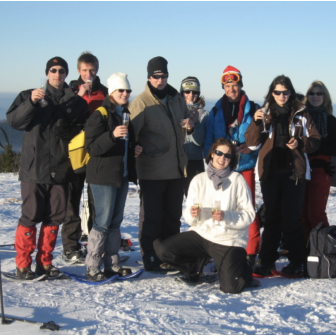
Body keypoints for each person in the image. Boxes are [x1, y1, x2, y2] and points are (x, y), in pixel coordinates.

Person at [7, 56, 89, 280]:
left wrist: (71, 132)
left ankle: (45, 263)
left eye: (62, 71)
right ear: (46, 73)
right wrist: (30, 103)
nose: (57, 74)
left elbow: (85, 130)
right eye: (53, 70)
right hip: (35, 169)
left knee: (55, 217)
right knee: (30, 216)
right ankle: (23, 265)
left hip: (62, 169)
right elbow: (15, 121)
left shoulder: (75, 101)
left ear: (66, 74)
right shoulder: (29, 95)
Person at [154, 138, 257, 293]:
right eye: (219, 153)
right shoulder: (198, 179)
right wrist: (193, 214)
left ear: (232, 159)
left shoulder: (237, 180)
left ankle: (243, 267)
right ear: (212, 154)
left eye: (227, 156)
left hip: (228, 239)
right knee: (162, 249)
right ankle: (194, 268)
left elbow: (249, 214)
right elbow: (188, 215)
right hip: (201, 234)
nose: (222, 158)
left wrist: (226, 216)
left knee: (231, 288)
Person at [245, 75, 321, 277]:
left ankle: (297, 262)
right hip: (270, 173)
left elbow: (315, 141)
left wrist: (300, 143)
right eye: (277, 92)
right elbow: (252, 144)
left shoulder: (302, 114)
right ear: (272, 93)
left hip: (294, 173)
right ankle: (266, 262)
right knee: (271, 219)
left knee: (291, 219)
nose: (281, 96)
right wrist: (254, 122)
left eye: (285, 92)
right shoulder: (264, 113)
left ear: (291, 92)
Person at [129, 56, 194, 272]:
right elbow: (131, 136)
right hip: (152, 170)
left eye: (163, 76)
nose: (160, 80)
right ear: (149, 77)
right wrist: (135, 148)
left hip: (176, 169)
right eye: (156, 76)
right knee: (152, 217)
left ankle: (170, 255)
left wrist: (189, 125)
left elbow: (185, 123)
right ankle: (150, 256)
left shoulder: (176, 99)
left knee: (172, 217)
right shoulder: (140, 103)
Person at [84, 73, 142, 281]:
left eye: (127, 91)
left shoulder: (125, 114)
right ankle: (92, 265)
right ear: (112, 92)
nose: (125, 94)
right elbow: (91, 147)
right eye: (121, 90)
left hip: (121, 176)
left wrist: (133, 149)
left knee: (115, 221)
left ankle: (112, 263)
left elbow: (125, 145)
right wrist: (111, 136)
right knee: (102, 221)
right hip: (103, 177)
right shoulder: (100, 115)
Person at [204, 65, 260, 266]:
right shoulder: (216, 110)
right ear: (223, 87)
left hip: (244, 165)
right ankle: (221, 250)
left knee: (248, 208)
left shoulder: (253, 108)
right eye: (227, 85)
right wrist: (210, 158)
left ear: (240, 85)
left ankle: (251, 253)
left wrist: (252, 147)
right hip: (222, 167)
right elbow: (209, 137)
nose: (231, 89)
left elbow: (261, 135)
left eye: (235, 85)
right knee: (221, 209)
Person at [61, 52, 108, 263]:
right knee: (72, 199)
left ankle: (95, 245)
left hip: (97, 152)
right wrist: (78, 96)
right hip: (75, 152)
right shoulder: (70, 92)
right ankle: (71, 247)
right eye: (85, 70)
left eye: (92, 70)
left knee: (97, 201)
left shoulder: (105, 93)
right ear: (78, 71)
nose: (88, 74)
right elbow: (62, 118)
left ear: (97, 70)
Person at [301, 81, 336, 243]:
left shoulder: (330, 120)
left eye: (319, 93)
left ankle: (324, 249)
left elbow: (332, 147)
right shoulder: (301, 118)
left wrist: (320, 158)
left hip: (321, 169)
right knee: (301, 213)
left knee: (316, 212)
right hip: (301, 169)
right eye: (312, 94)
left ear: (325, 97)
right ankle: (306, 249)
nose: (315, 97)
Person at [180, 76, 209, 197]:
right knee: (173, 203)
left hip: (194, 162)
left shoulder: (204, 114)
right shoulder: (174, 111)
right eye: (187, 91)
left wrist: (195, 123)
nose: (191, 95)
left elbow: (199, 142)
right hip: (175, 161)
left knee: (196, 202)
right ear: (182, 93)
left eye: (195, 92)